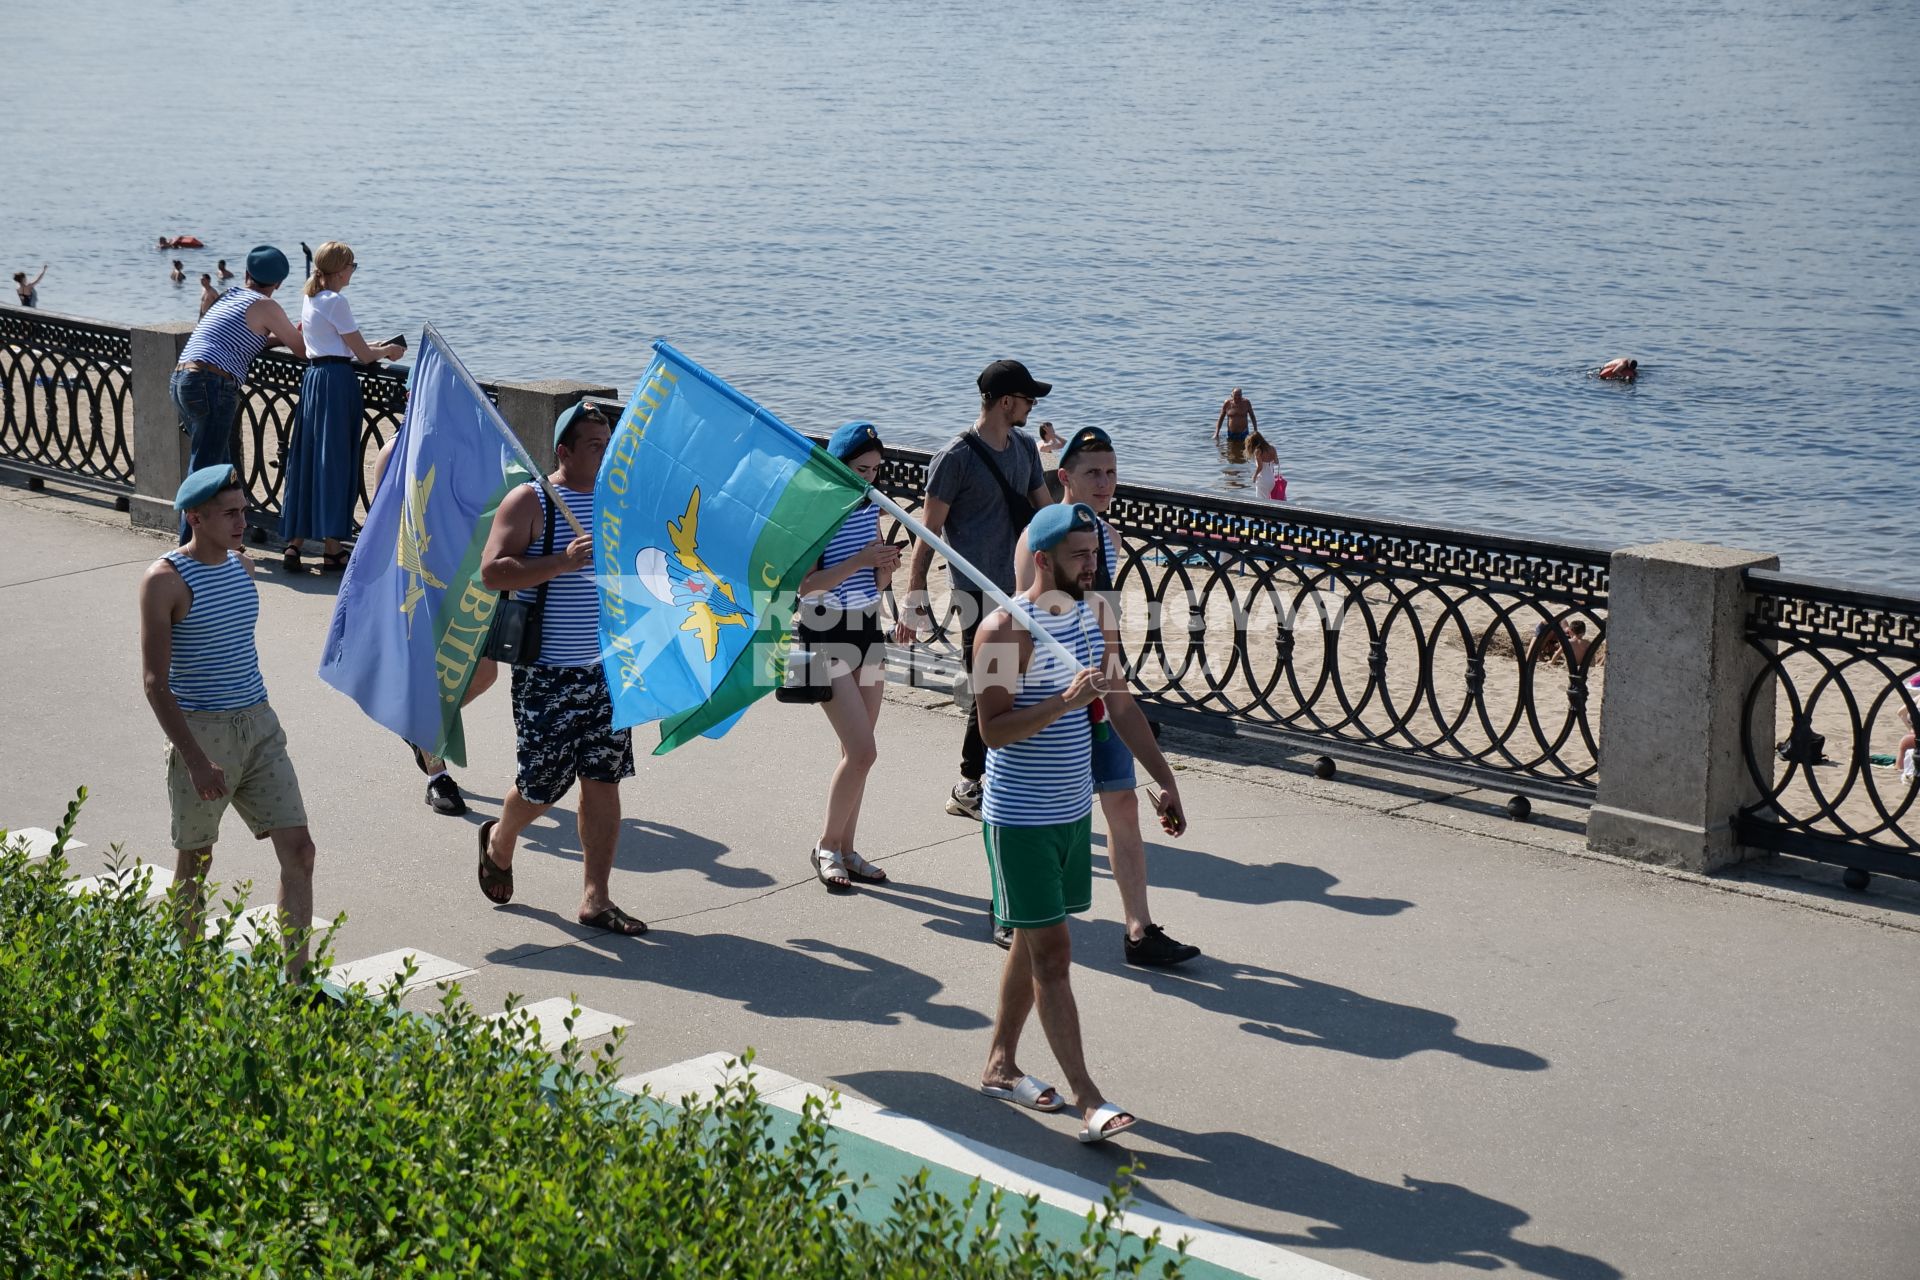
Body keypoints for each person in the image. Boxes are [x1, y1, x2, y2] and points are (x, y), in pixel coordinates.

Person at [974, 502, 1189, 1144]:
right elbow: (992, 731)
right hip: (1019, 817)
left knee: (1031, 940)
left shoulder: (1097, 617)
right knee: (1055, 955)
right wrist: (1064, 702)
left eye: (1095, 554)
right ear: (1042, 560)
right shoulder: (998, 632)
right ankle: (1088, 1097)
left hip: (1071, 811)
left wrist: (1163, 776)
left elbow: (1120, 702)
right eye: (1079, 556)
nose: (1092, 566)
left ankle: (1000, 1065)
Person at [1013, 428, 1200, 967]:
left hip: (1101, 685)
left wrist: (1112, 680)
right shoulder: (1037, 540)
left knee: (1122, 805)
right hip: (1049, 698)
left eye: (1112, 472)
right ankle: (1014, 915)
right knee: (1034, 810)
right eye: (1094, 472)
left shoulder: (1109, 538)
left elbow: (1104, 620)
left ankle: (1139, 929)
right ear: (1065, 477)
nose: (1106, 483)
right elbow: (1027, 619)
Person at [138, 465, 319, 983]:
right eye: (231, 512)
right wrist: (195, 760)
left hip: (260, 726)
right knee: (196, 860)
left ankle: (298, 983)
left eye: (244, 509)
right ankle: (185, 978)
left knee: (300, 850)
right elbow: (155, 683)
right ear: (195, 516)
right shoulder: (164, 582)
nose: (244, 521)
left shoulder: (242, 568)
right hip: (203, 733)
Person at [474, 401, 647, 936]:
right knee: (542, 786)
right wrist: (562, 562)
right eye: (595, 444)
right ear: (563, 450)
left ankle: (596, 898)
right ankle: (500, 840)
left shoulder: (618, 501)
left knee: (603, 779)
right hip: (547, 673)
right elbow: (493, 571)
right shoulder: (532, 500)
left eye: (609, 442)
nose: (606, 451)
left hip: (606, 671)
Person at [896, 359, 1056, 843]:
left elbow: (1044, 515)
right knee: (992, 686)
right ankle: (969, 785)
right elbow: (930, 531)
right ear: (1006, 401)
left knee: (1020, 683)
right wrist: (914, 592)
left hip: (1023, 591)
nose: (1032, 405)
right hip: (975, 593)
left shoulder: (1026, 447)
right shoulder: (955, 458)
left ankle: (1002, 779)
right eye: (1028, 398)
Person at [371, 430, 498, 816]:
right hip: (415, 578)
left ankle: (418, 725)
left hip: (464, 578)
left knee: (484, 673)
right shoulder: (394, 451)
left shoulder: (467, 447)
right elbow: (382, 521)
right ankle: (436, 775)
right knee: (426, 677)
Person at [797, 421, 901, 891]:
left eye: (877, 470)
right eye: (862, 469)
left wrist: (883, 569)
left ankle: (847, 848)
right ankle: (825, 845)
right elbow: (806, 584)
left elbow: (872, 585)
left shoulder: (868, 504)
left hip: (867, 628)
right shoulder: (817, 509)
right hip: (823, 631)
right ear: (839, 465)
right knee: (863, 751)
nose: (871, 479)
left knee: (854, 753)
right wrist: (861, 561)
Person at [279, 241, 404, 572]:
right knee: (334, 461)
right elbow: (362, 355)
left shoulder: (311, 298)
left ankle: (294, 544)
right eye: (352, 265)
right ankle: (333, 548)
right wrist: (388, 352)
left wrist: (376, 346)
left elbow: (336, 343)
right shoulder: (337, 301)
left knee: (308, 457)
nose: (353, 271)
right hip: (336, 383)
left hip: (315, 379)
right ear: (340, 269)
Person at [171, 245, 306, 543]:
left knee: (222, 469)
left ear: (246, 274)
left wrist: (278, 338)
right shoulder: (266, 305)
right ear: (279, 283)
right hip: (212, 384)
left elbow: (245, 338)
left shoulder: (230, 297)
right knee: (204, 472)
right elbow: (302, 350)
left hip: (183, 377)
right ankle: (186, 553)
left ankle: (226, 545)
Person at [1246, 431, 1286, 501]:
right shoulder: (1272, 448)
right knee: (1268, 501)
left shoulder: (1258, 451)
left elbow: (1260, 467)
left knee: (1260, 502)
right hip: (1271, 481)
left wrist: (1254, 476)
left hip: (1262, 480)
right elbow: (1276, 462)